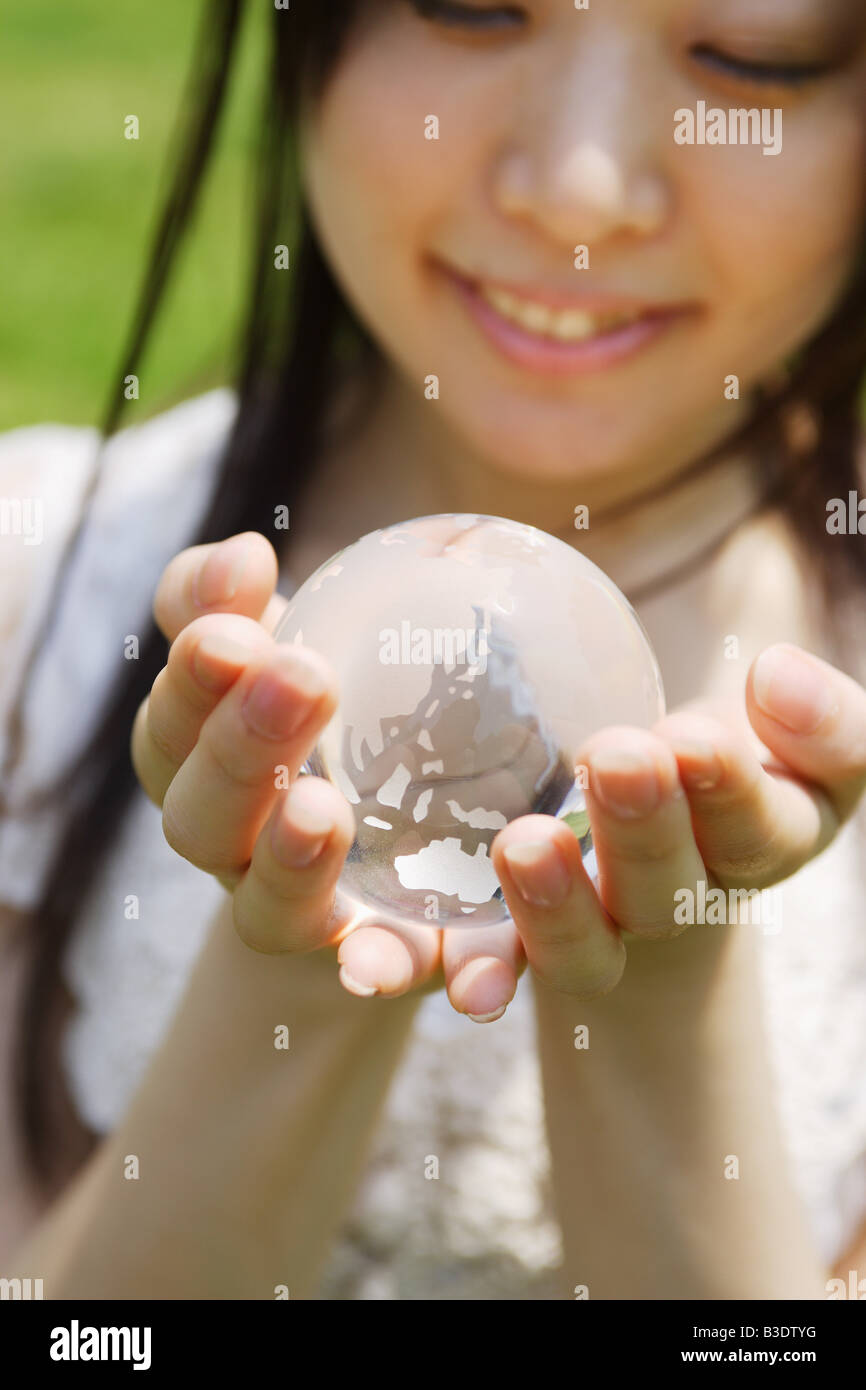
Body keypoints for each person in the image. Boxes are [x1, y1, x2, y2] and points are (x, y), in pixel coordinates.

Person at [2, 0, 866, 1299]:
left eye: (752, 54)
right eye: (468, 4)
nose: (578, 189)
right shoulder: (38, 593)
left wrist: (652, 986)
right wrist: (291, 962)